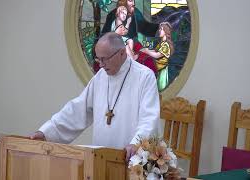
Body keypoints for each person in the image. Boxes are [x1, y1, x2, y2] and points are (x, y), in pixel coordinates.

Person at [30, 32, 160, 162]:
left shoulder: (144, 77)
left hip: (129, 160)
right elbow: (77, 110)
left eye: (105, 59)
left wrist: (136, 143)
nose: (101, 65)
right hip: (100, 161)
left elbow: (149, 118)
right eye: (98, 59)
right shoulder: (100, 78)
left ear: (122, 53)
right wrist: (46, 132)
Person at [140, 22, 175, 91]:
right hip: (158, 69)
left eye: (161, 29)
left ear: (165, 31)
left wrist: (147, 51)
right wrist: (146, 50)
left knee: (161, 88)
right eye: (159, 29)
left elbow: (157, 55)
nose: (159, 31)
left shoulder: (166, 45)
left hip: (162, 70)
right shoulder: (162, 43)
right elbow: (155, 51)